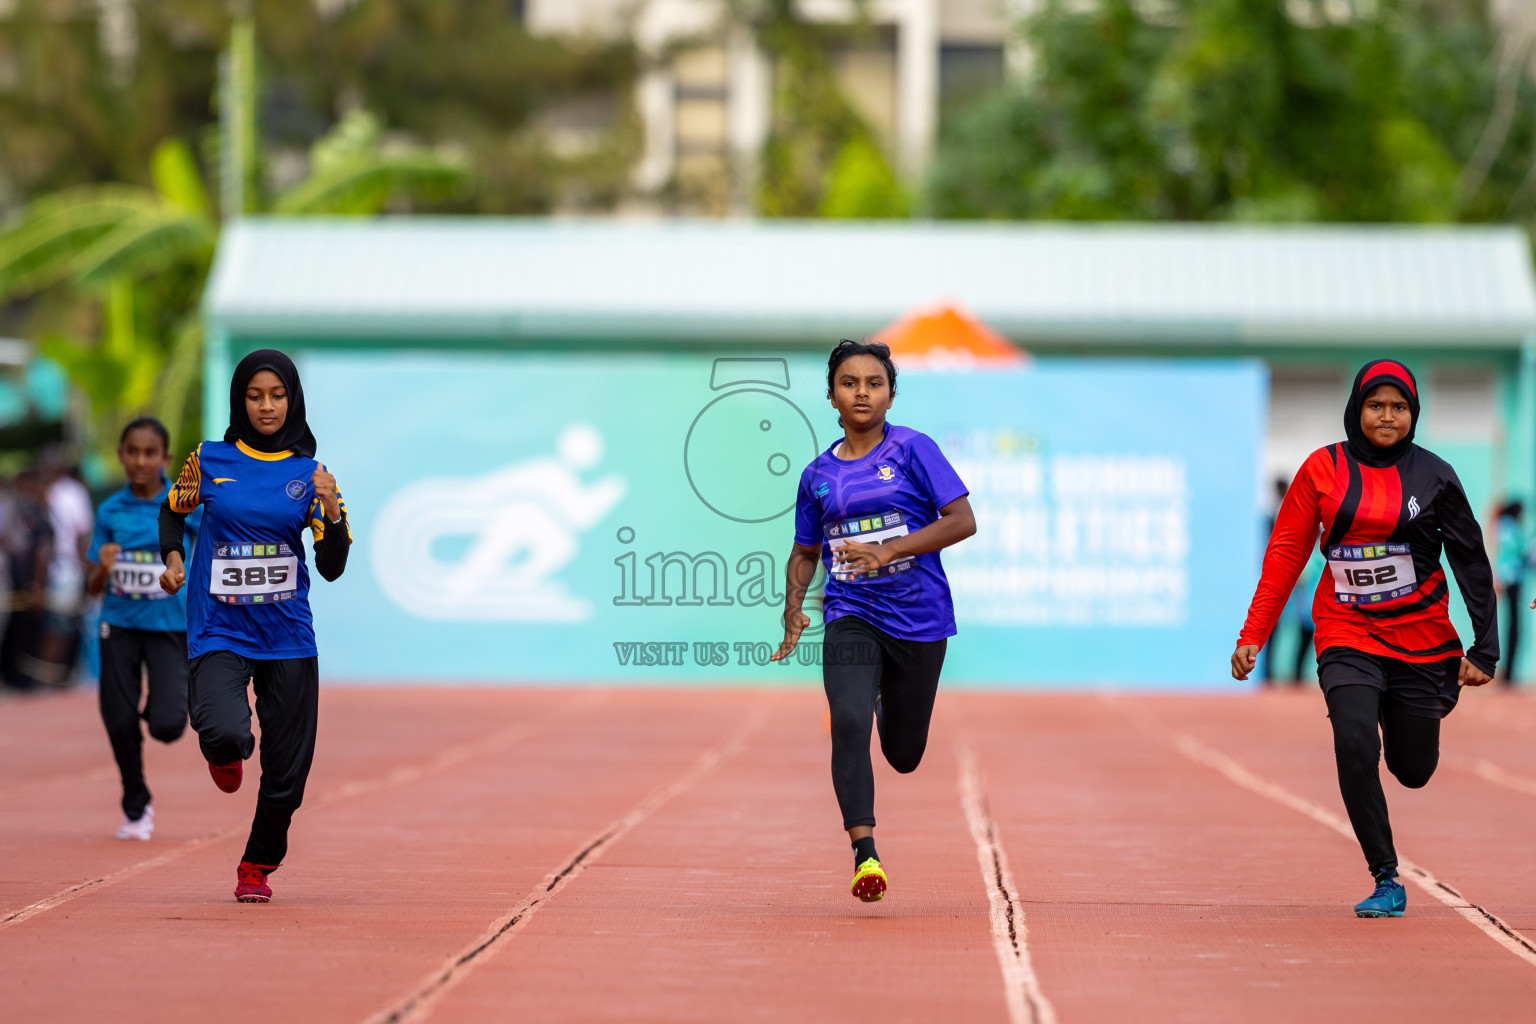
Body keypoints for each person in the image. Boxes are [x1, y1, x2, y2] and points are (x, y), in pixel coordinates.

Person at [1232, 359, 1497, 918]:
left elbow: (1469, 558)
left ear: (1413, 413)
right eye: (1376, 405)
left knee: (1412, 770)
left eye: (1399, 407)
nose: (1387, 417)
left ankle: (1419, 715)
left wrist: (1484, 648)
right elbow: (1286, 553)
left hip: (1422, 639)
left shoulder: (1436, 476)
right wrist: (1253, 632)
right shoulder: (1321, 469)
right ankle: (1386, 877)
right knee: (1354, 745)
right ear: (1356, 408)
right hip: (1345, 629)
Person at [771, 339, 975, 903]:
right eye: (849, 383)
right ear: (832, 396)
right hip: (850, 613)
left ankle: (887, 696)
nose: (862, 392)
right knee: (849, 719)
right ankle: (866, 855)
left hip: (919, 618)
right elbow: (805, 551)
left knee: (904, 756)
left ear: (890, 394)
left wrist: (889, 551)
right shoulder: (816, 475)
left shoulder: (913, 450)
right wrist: (793, 607)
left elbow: (962, 520)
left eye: (874, 383)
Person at [159, 350, 351, 903]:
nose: (266, 406)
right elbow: (173, 510)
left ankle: (256, 865)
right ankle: (222, 752)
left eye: (277, 395)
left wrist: (332, 516)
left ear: (293, 401)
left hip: (287, 635)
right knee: (224, 731)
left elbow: (333, 566)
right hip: (220, 626)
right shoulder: (210, 459)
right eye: (254, 395)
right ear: (239, 400)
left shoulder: (311, 477)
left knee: (288, 770)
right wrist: (174, 560)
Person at [86, 418, 203, 841]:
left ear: (166, 459)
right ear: (120, 456)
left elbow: (205, 560)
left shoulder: (184, 504)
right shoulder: (109, 511)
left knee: (168, 726)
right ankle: (136, 805)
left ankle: (158, 703)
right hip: (118, 624)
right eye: (132, 452)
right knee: (118, 720)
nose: (140, 460)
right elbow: (92, 587)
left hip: (170, 625)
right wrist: (103, 566)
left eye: (149, 453)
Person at [1495, 502, 1527, 685]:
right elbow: (1512, 552)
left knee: (1513, 626)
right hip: (1511, 580)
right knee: (1513, 626)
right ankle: (1508, 674)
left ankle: (1509, 672)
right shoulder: (1508, 525)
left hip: (1512, 579)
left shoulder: (1505, 525)